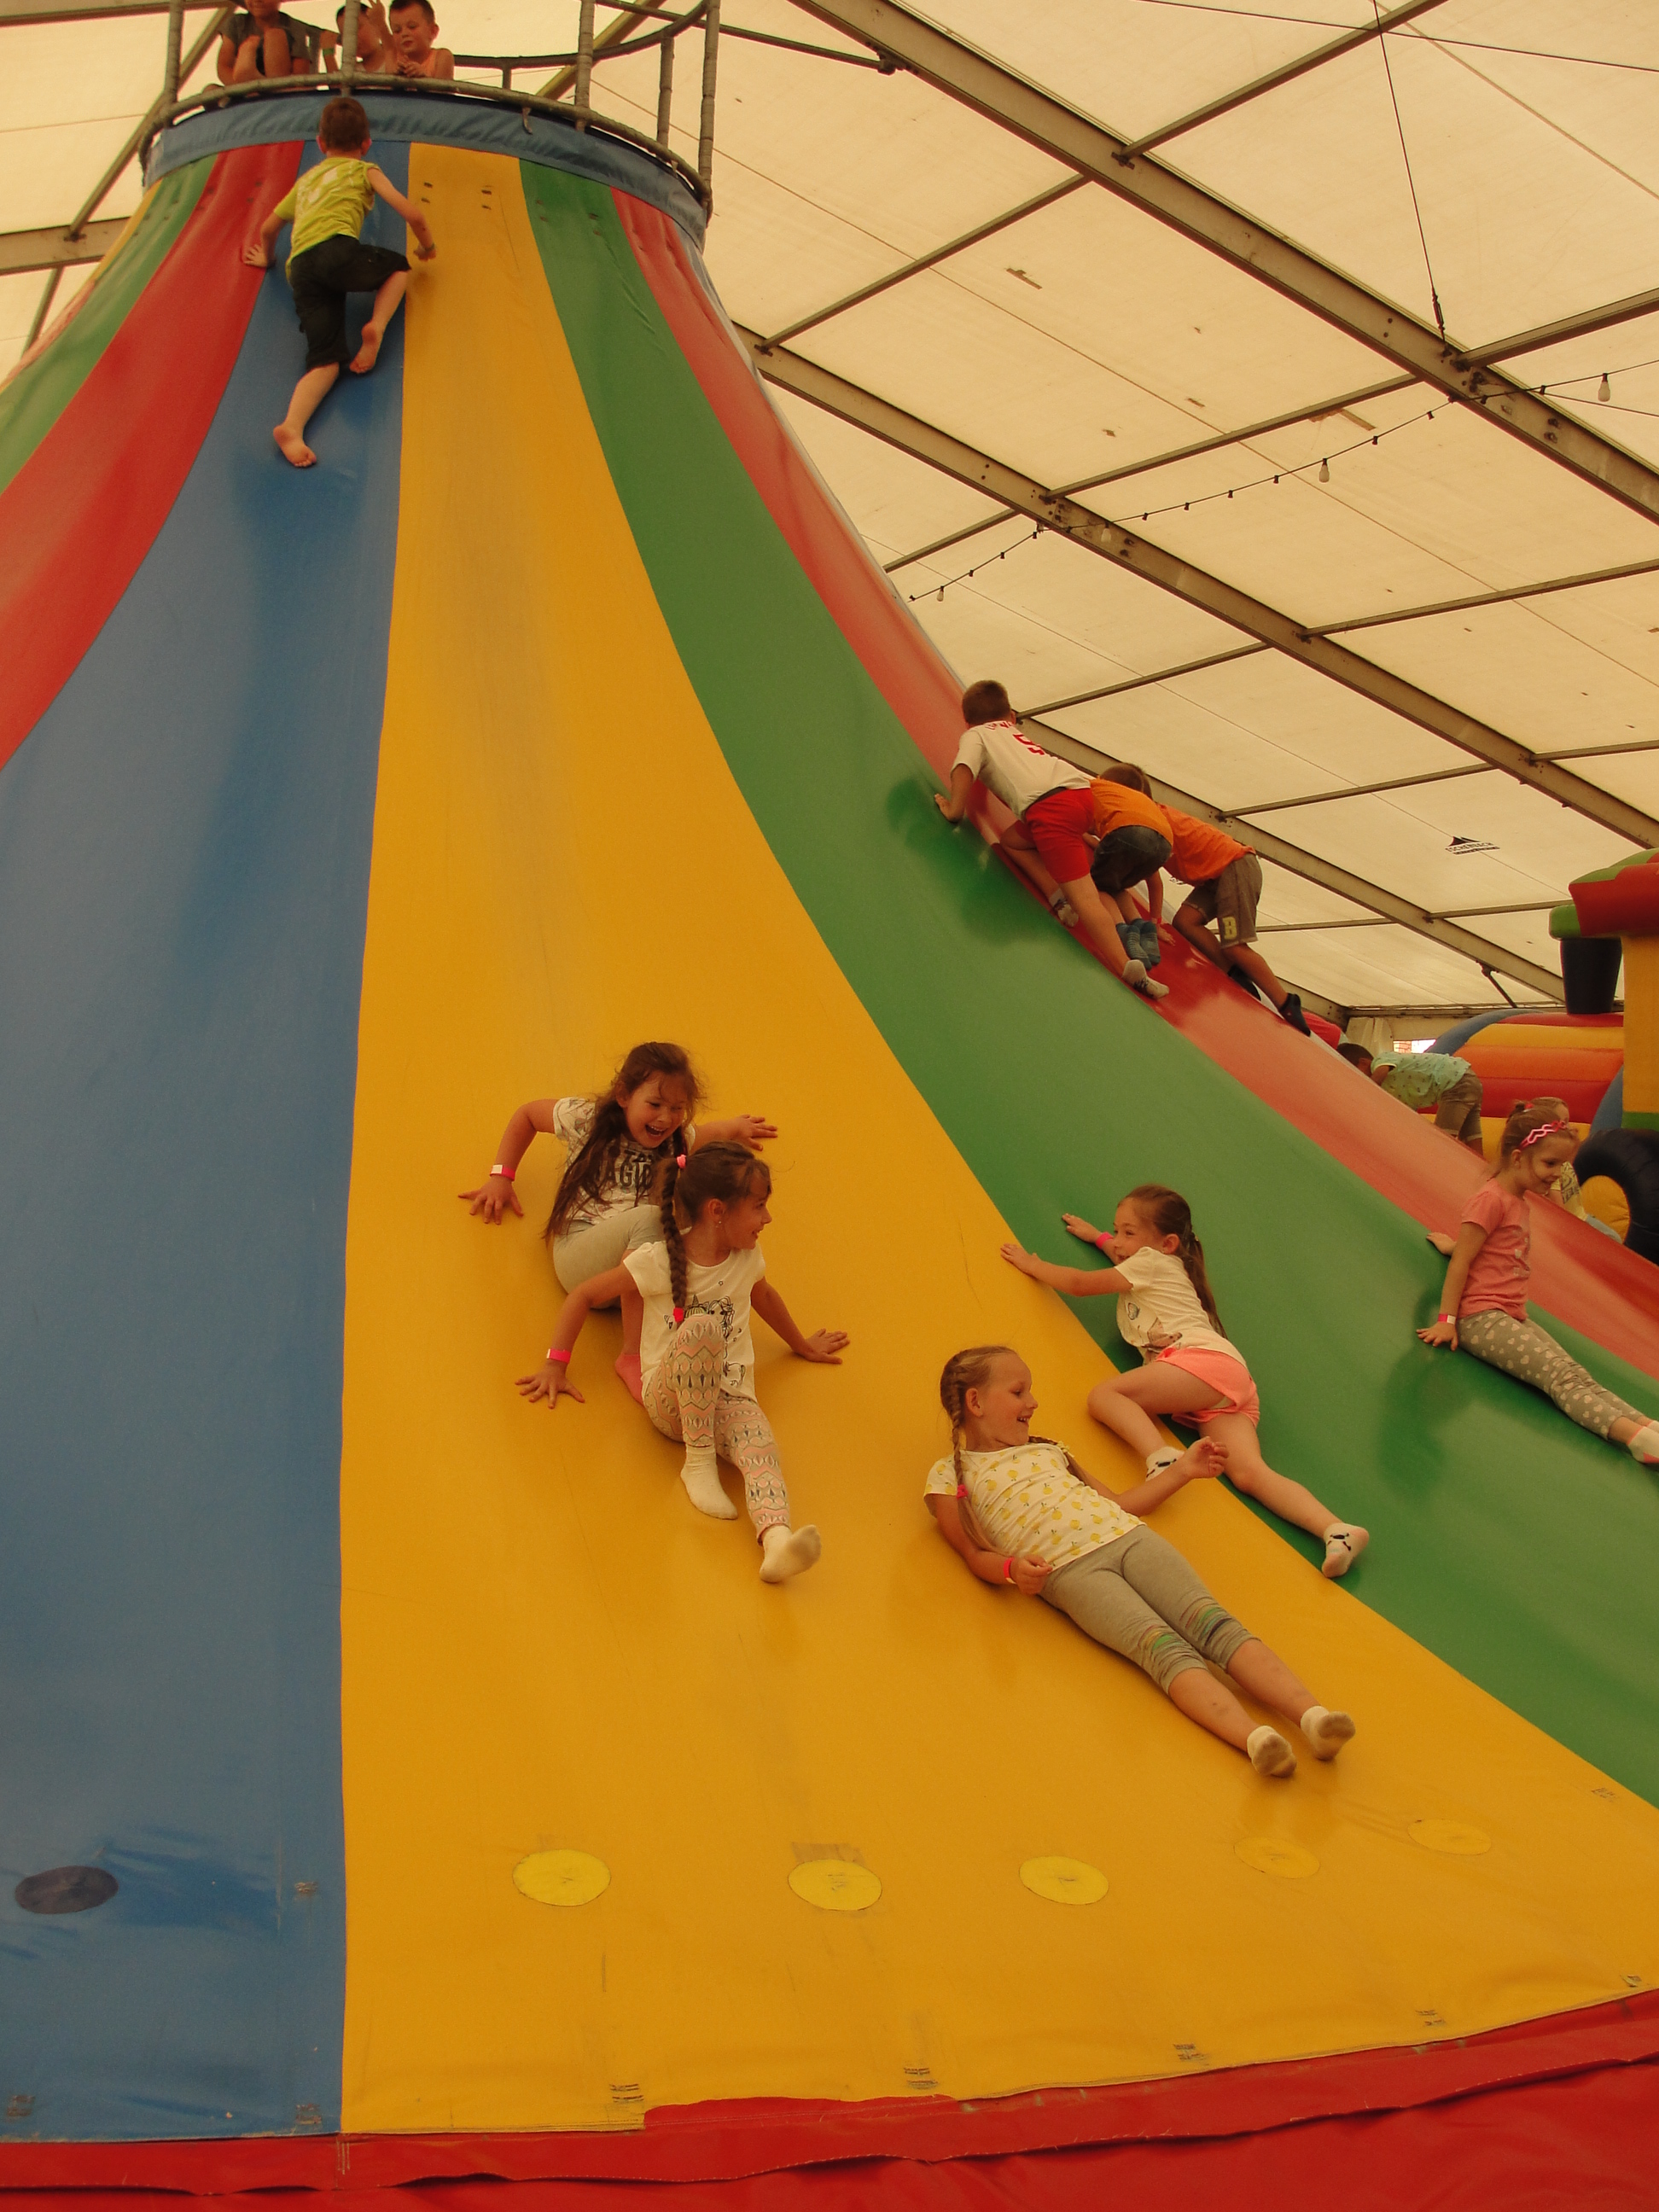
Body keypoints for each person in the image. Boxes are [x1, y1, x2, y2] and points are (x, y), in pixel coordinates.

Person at [928, 1347, 1356, 1776]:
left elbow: (1120, 1503)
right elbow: (974, 1552)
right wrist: (1012, 1571)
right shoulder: (952, 1475)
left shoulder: (1048, 1450)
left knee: (1214, 1624)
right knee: (1162, 1649)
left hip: (1131, 1539)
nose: (1033, 1402)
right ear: (976, 1402)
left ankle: (1312, 1717)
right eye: (1019, 1392)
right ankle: (1255, 1740)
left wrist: (1182, 1471)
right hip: (1074, 1573)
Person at [1000, 1184, 1367, 1578]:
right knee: (1249, 1474)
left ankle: (1161, 1458)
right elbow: (1126, 1260)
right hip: (1226, 1378)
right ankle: (1336, 1530)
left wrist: (1032, 1265)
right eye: (1117, 1230)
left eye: (1128, 1232)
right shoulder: (1161, 1265)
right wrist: (1099, 1237)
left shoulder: (1151, 1263)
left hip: (1201, 1363)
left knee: (1105, 1395)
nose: (1119, 1241)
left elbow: (1079, 1284)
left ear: (1168, 1243)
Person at [518, 1143, 845, 1583]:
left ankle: (776, 1543)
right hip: (670, 1401)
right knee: (702, 1329)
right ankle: (698, 1463)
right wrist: (555, 1365)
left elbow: (765, 1297)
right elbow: (584, 1294)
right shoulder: (658, 1260)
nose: (767, 1218)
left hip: (729, 1399)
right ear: (717, 1211)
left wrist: (801, 1344)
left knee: (762, 1451)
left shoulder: (747, 1259)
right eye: (759, 1206)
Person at [1419, 1102, 1659, 1459]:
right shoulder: (1491, 1199)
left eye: (1562, 1165)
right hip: (1480, 1319)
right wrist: (1446, 1320)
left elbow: (1473, 1246)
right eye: (1550, 1164)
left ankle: (1646, 1424)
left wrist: (1451, 1244)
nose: (1557, 1174)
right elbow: (1463, 1262)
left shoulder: (1515, 1199)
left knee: (1575, 1372)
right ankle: (1636, 1440)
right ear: (1518, 1158)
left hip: (1510, 1314)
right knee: (1559, 1378)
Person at [458, 1040, 776, 1297]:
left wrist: (736, 1127)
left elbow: (706, 1134)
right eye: (654, 1105)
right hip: (582, 1259)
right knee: (650, 1218)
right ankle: (631, 1349)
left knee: (710, 1222)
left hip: (641, 1268)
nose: (665, 1118)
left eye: (677, 1108)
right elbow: (528, 1115)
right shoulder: (587, 1119)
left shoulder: (675, 1139)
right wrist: (501, 1176)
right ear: (624, 1095)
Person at [933, 680, 1168, 1001]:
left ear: (968, 722)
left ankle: (1128, 967)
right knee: (1012, 841)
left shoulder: (976, 735)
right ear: (1011, 716)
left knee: (1086, 898)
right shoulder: (1015, 734)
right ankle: (1059, 899)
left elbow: (964, 767)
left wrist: (955, 808)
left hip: (1049, 810)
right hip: (1080, 796)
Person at [243, 96, 435, 469]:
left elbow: (268, 228)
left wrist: (267, 258)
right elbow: (412, 213)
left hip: (301, 268)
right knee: (398, 268)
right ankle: (376, 327)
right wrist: (427, 245)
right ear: (366, 143)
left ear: (320, 144)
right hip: (337, 250)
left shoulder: (306, 181)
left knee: (326, 361)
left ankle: (292, 427)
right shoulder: (364, 170)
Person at [1096, 763, 1309, 1035]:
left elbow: (1154, 881)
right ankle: (1233, 972)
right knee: (1186, 922)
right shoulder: (1150, 816)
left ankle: (1286, 1001)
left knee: (1235, 945)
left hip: (1234, 866)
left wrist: (1154, 922)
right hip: (1216, 876)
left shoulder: (1150, 820)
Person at [1337, 1042, 1484, 1155]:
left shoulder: (1382, 1060)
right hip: (1467, 1081)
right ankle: (1484, 1175)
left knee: (1441, 1144)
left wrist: (1363, 1090)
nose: (1356, 1078)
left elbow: (1381, 1072)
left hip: (1455, 1081)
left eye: (1355, 1072)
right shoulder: (1390, 1089)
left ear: (1364, 1062)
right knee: (1472, 1137)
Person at [218, 0, 326, 81]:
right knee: (211, 89)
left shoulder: (294, 27)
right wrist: (245, 89)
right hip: (244, 92)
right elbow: (223, 67)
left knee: (274, 36)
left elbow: (300, 72)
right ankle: (251, 80)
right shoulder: (236, 23)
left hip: (282, 90)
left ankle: (265, 84)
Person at [386, 0, 455, 77]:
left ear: (432, 31)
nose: (404, 34)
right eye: (397, 30)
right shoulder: (392, 58)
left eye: (412, 27)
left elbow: (443, 83)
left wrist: (424, 77)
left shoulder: (441, 57)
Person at [333, 0, 393, 70]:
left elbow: (391, 49)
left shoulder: (398, 61)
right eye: (344, 34)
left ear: (375, 23)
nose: (352, 38)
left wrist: (381, 24)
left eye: (357, 28)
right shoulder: (350, 71)